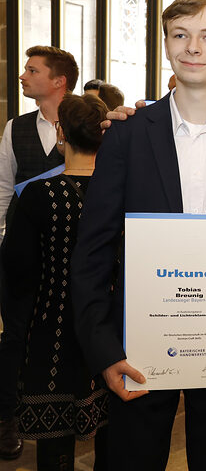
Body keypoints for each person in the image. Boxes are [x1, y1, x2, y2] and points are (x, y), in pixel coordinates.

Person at [70, 0, 206, 471]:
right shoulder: (125, 133)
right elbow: (91, 254)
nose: (193, 47)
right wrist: (104, 351)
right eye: (180, 35)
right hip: (137, 350)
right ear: (166, 44)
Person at [2, 94, 109, 470]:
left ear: (62, 134)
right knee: (113, 431)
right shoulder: (118, 192)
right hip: (112, 329)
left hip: (53, 327)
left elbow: (16, 268)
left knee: (55, 442)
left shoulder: (38, 194)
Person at [0, 45, 78, 460]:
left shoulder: (87, 121)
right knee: (14, 335)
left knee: (63, 334)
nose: (23, 76)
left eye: (32, 70)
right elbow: (1, 187)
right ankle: (7, 417)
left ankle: (69, 411)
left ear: (58, 80)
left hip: (70, 252)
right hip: (23, 253)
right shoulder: (17, 127)